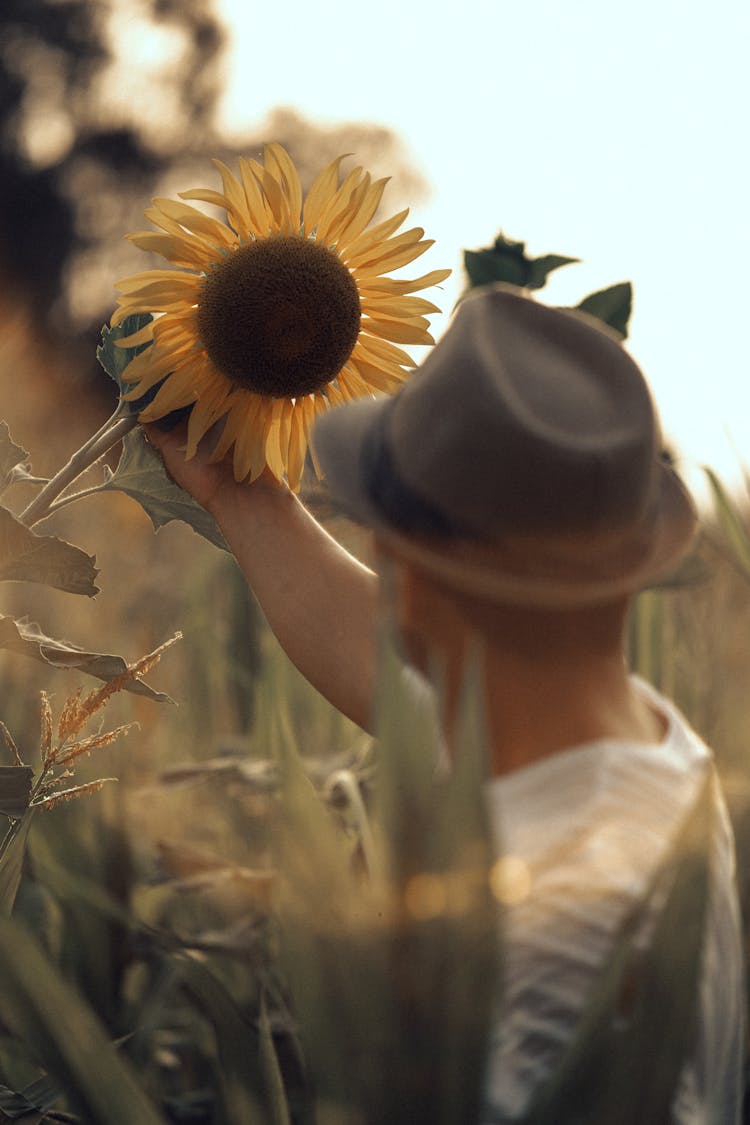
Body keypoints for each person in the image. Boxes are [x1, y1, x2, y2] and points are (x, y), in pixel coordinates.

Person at [145, 283, 745, 1122]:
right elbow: (396, 669)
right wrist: (238, 494)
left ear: (414, 579)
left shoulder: (558, 932)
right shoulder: (636, 744)